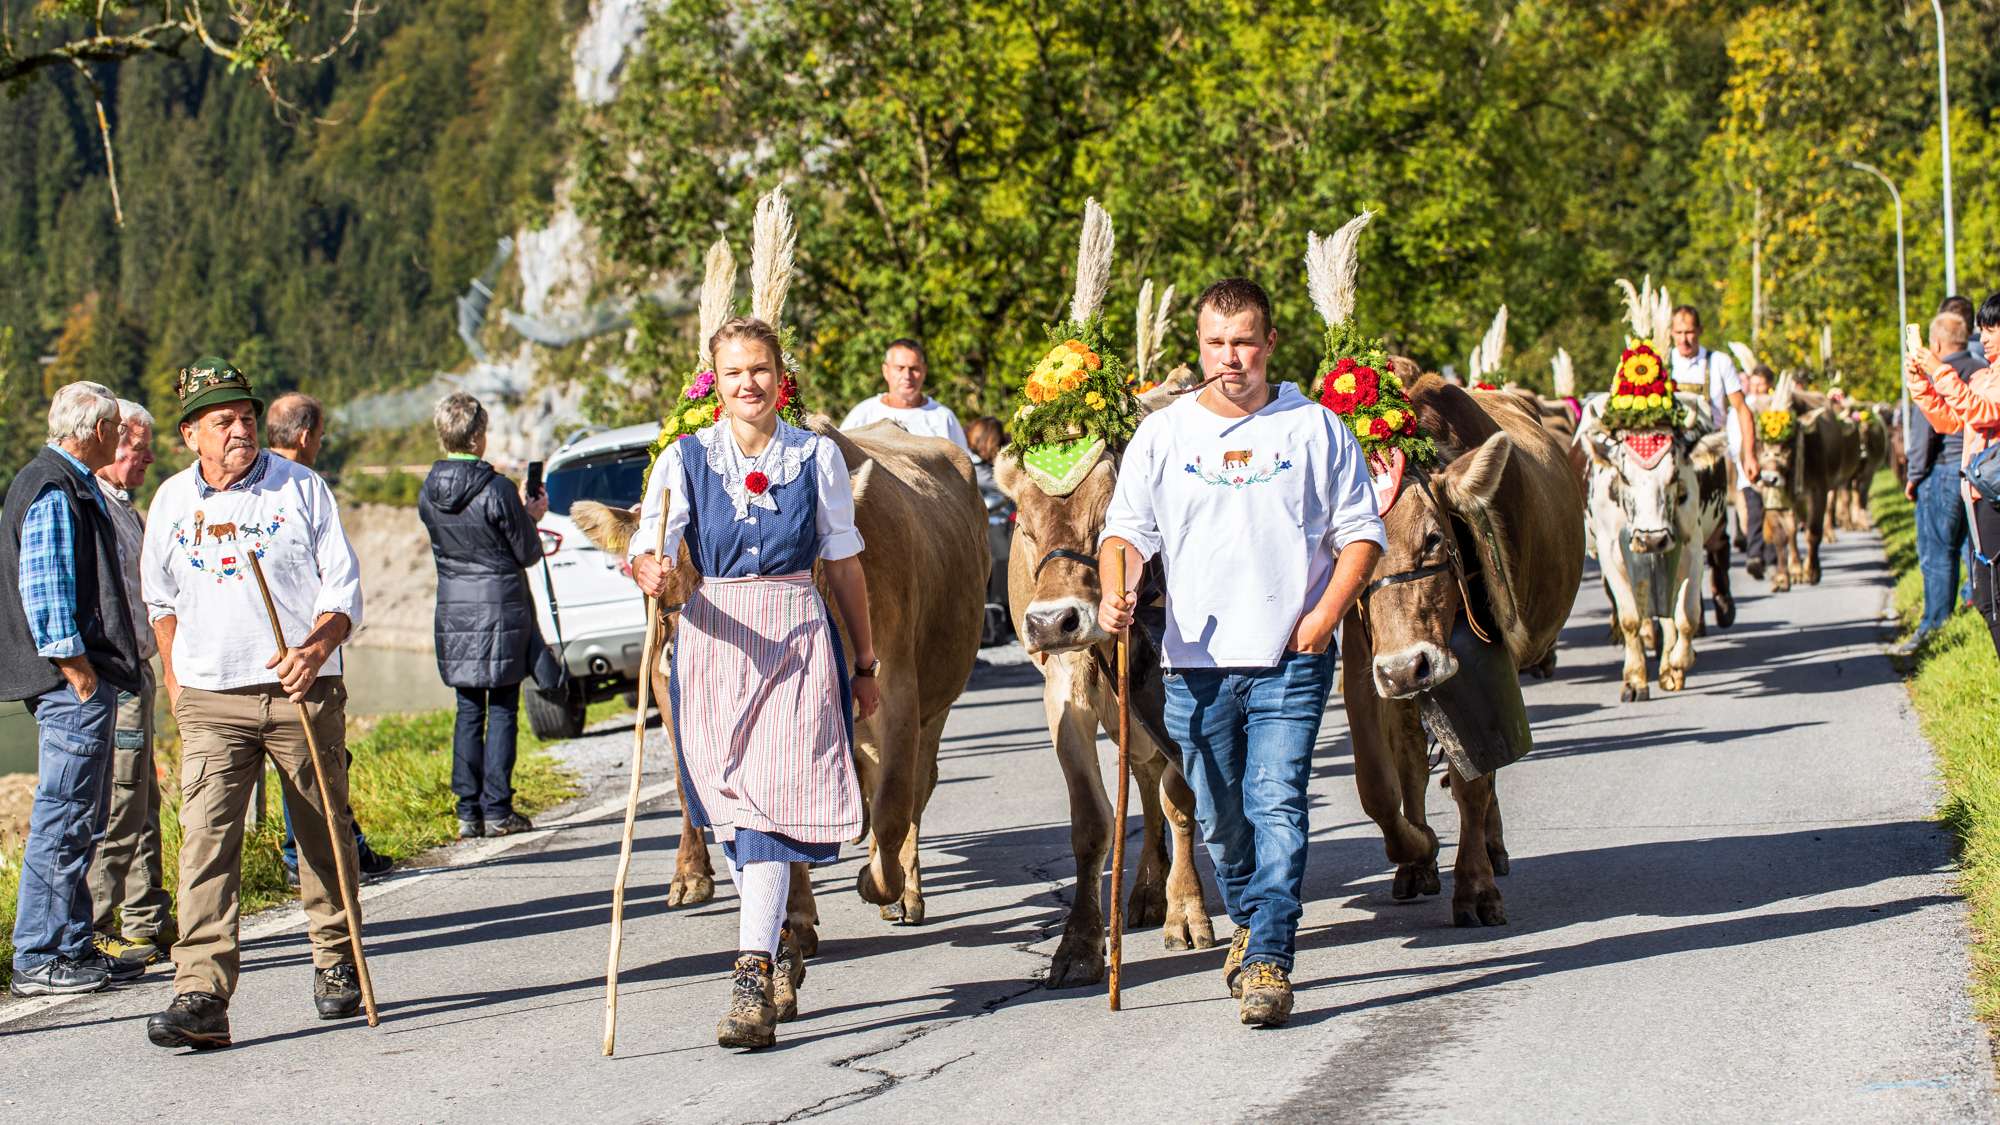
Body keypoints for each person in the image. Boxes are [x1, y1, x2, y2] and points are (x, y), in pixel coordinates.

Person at [1096, 278, 1384, 1027]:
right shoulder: (1165, 435)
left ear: (1269, 345)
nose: (1231, 358)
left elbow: (1361, 534)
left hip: (1290, 653)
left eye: (1244, 342)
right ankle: (1254, 912)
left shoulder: (1315, 428)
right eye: (1217, 343)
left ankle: (1268, 955)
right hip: (1194, 662)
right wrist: (1115, 588)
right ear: (1200, 347)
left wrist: (1323, 616)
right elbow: (1126, 534)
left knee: (1276, 800)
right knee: (1221, 818)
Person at [630, 317, 880, 1050]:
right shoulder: (682, 459)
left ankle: (748, 977)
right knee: (731, 810)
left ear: (780, 375)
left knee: (769, 805)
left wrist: (864, 663)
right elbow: (650, 545)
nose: (750, 383)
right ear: (716, 381)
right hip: (712, 638)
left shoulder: (816, 456)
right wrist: (650, 569)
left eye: (761, 369)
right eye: (735, 371)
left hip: (796, 635)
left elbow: (845, 563)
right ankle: (770, 946)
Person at [141, 358, 367, 1049]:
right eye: (223, 420)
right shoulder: (172, 503)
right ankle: (202, 992)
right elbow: (160, 602)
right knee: (206, 844)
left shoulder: (299, 487)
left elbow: (344, 591)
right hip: (211, 701)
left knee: (322, 830)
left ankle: (336, 958)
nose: (240, 428)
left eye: (245, 415)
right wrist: (181, 689)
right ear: (191, 436)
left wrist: (314, 649)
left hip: (300, 690)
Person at [1, 381, 145, 996]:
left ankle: (73, 944)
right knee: (63, 818)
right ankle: (39, 956)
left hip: (76, 684)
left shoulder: (59, 480)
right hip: (72, 686)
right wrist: (82, 676)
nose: (120, 438)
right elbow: (49, 597)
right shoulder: (55, 488)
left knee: (79, 817)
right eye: (115, 427)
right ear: (92, 430)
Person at [267, 391, 393, 882]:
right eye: (320, 435)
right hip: (304, 650)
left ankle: (334, 846)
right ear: (305, 436)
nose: (320, 443)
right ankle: (310, 855)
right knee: (311, 759)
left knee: (316, 757)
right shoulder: (304, 485)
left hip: (286, 649)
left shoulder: (254, 482)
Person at [417, 392, 549, 840]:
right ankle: (498, 808)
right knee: (505, 707)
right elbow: (527, 553)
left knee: (468, 709)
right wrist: (531, 516)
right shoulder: (495, 489)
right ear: (477, 437)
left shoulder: (428, 493)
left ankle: (466, 811)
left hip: (454, 607)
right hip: (502, 607)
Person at [84, 399, 176, 971]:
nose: (142, 458)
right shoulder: (93, 506)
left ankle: (147, 920)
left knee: (144, 799)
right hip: (114, 675)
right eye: (133, 447)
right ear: (108, 443)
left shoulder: (128, 509)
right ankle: (93, 927)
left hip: (139, 670)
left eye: (146, 449)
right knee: (120, 799)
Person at [1908, 296, 2000, 659]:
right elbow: (1951, 420)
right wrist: (1921, 384)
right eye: (1983, 329)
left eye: (1992, 329)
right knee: (1985, 596)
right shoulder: (1983, 376)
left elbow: (1984, 412)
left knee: (1993, 596)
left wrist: (1939, 370)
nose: (1985, 337)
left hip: (1994, 498)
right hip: (1977, 494)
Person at [1900, 310, 1977, 655]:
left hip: (1943, 470)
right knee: (1968, 550)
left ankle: (1934, 626)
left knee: (1936, 554)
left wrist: (1915, 476)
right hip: (1978, 472)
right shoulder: (1981, 370)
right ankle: (1968, 605)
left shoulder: (1936, 373)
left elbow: (1924, 433)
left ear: (1936, 343)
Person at [1668, 305, 1761, 576]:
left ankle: (1720, 581)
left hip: (1709, 451)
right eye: (1679, 333)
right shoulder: (1662, 362)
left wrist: (1750, 454)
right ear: (1671, 333)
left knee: (1716, 528)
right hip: (1673, 453)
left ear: (1700, 331)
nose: (1685, 340)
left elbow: (1742, 409)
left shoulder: (1718, 362)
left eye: (1690, 333)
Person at [839, 338, 969, 450]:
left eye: (914, 369)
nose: (907, 376)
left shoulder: (943, 418)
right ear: (885, 370)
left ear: (924, 371)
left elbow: (962, 470)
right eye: (900, 368)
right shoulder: (863, 414)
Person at [964, 415, 1012, 644]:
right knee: (998, 566)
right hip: (989, 525)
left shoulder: (980, 463)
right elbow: (1000, 484)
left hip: (996, 523)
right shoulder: (975, 466)